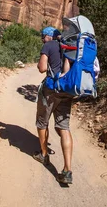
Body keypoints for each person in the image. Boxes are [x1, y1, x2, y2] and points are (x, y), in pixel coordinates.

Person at [33, 26, 75, 184]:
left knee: (42, 123)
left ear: (49, 36)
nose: (43, 39)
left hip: (51, 90)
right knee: (64, 127)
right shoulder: (70, 48)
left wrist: (41, 63)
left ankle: (44, 155)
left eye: (43, 36)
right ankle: (67, 170)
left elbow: (42, 68)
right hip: (67, 91)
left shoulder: (48, 46)